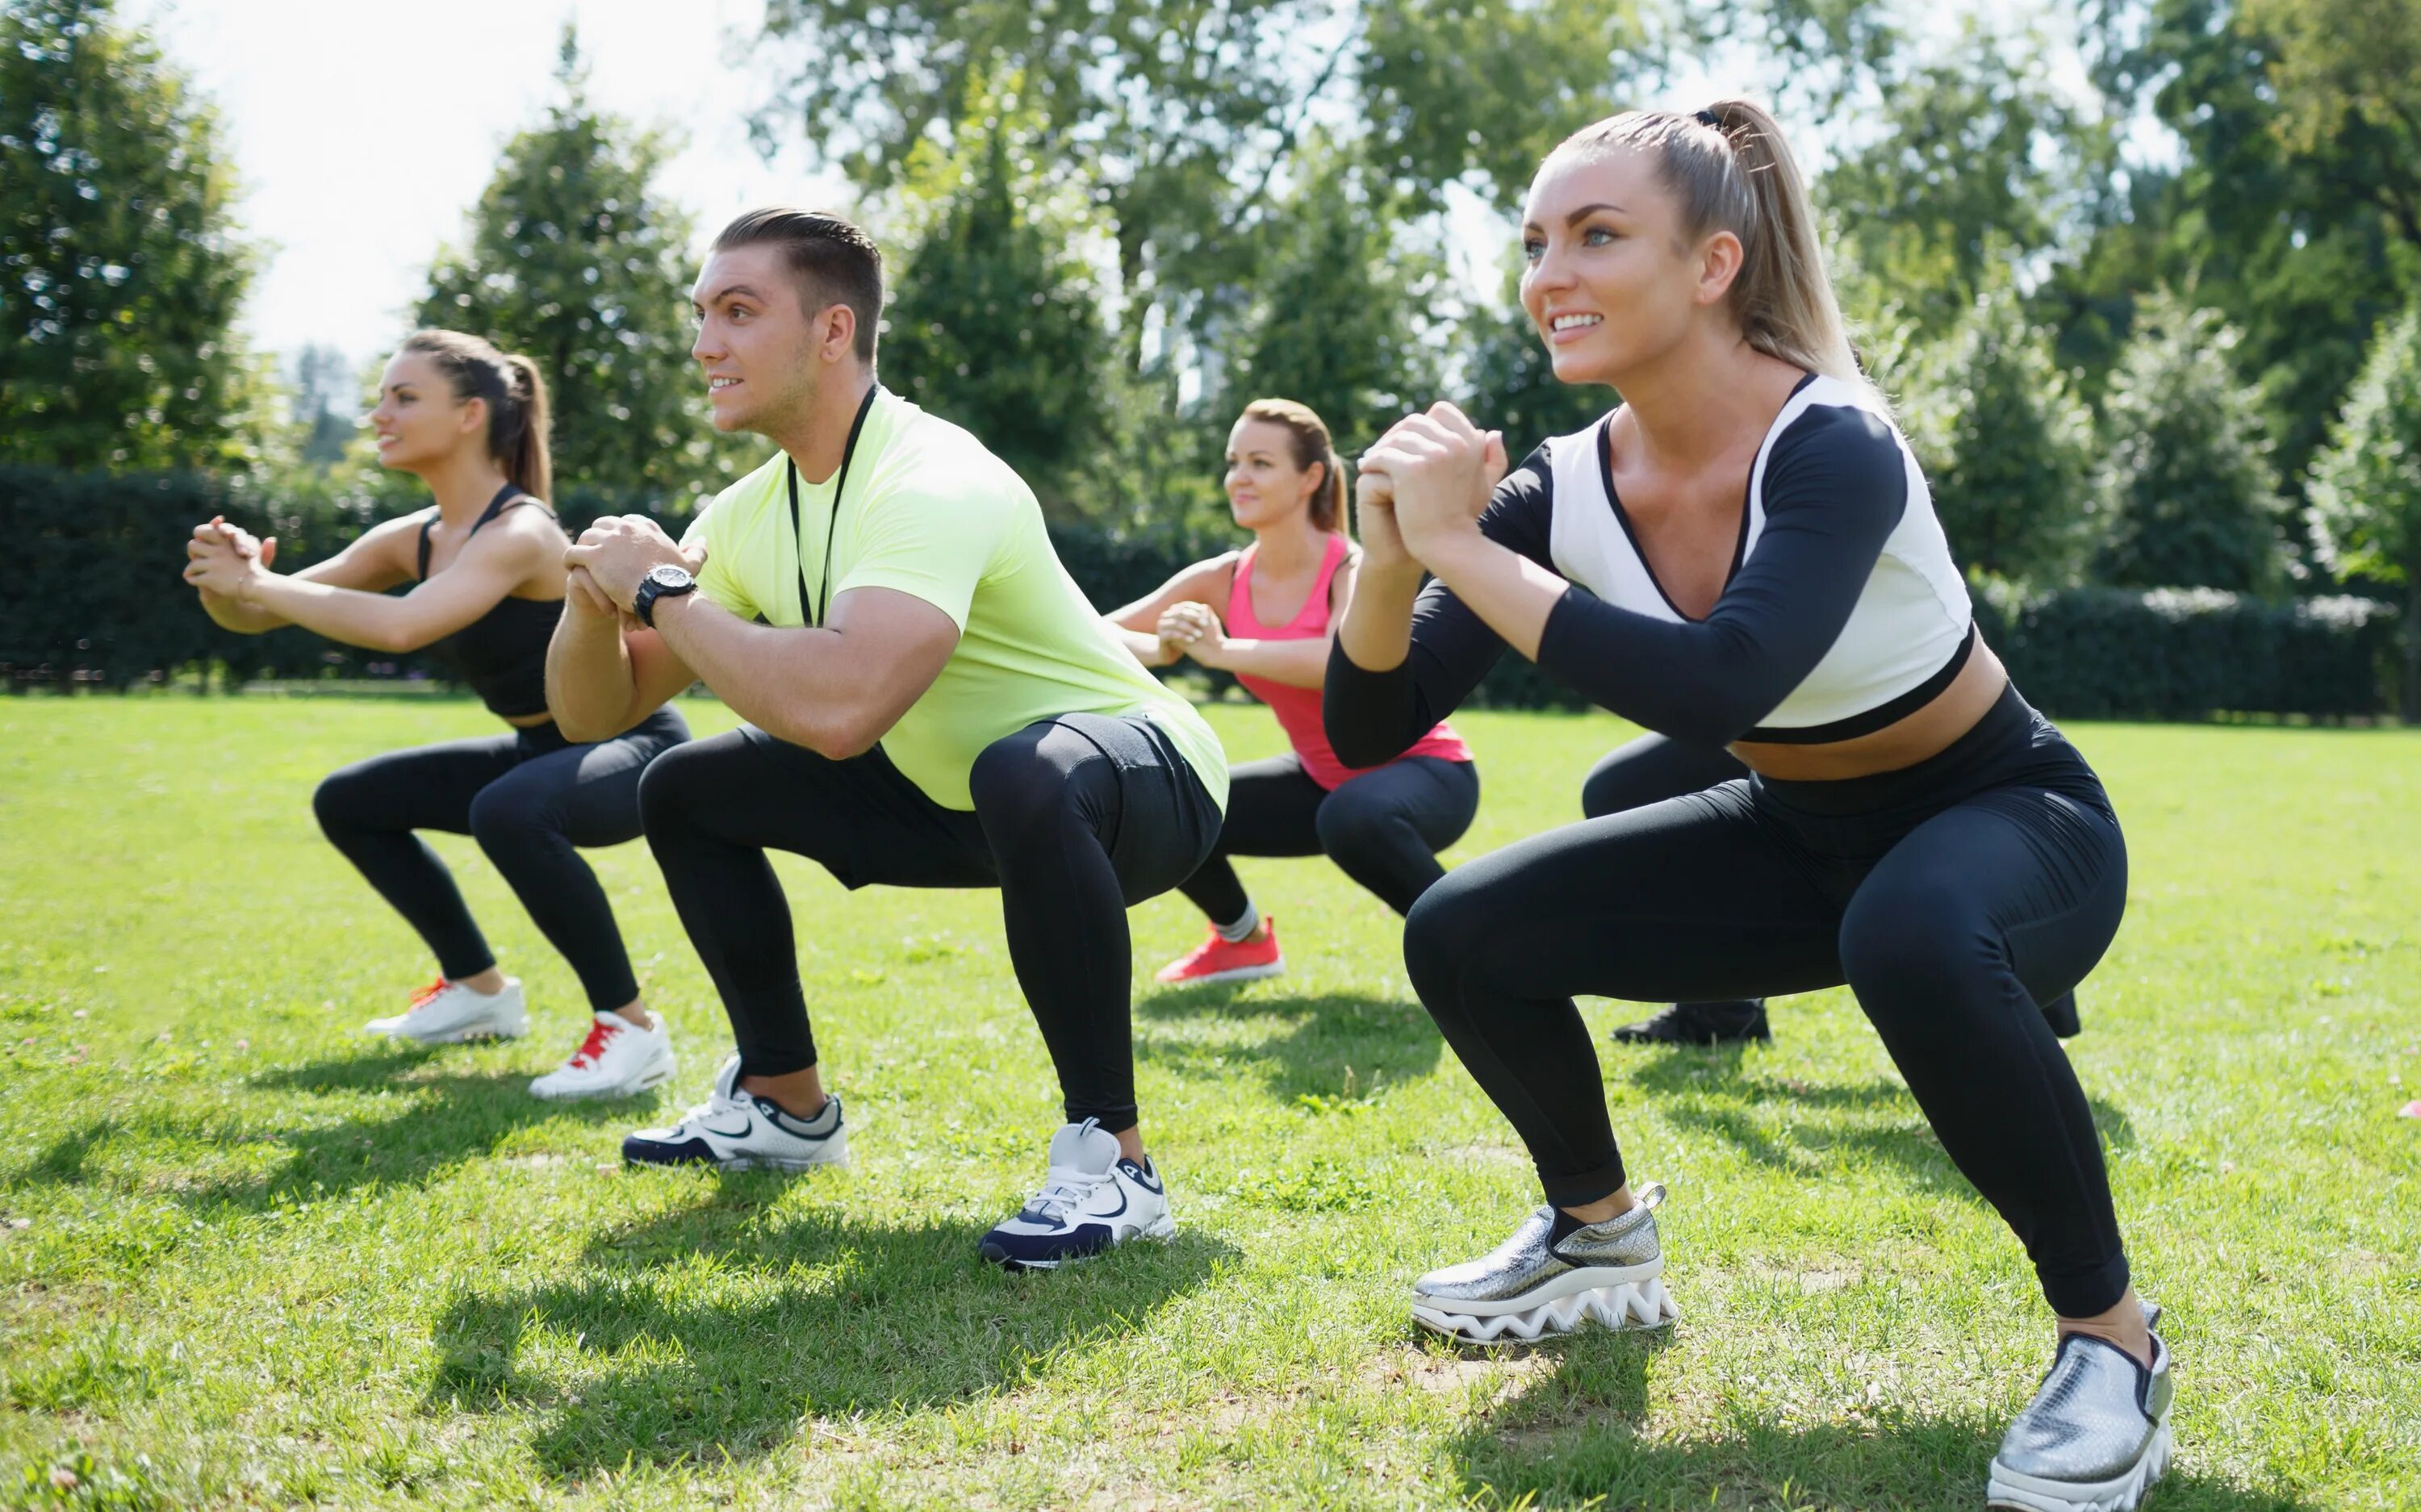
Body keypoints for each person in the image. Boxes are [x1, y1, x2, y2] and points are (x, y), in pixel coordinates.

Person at [1325, 104, 2170, 1512]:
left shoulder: (1834, 439)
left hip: (2013, 814)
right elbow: (1369, 723)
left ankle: (2113, 1340)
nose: (1551, 274)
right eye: (1536, 241)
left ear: (1715, 263)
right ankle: (1596, 1239)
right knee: (1464, 930)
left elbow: (1724, 678)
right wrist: (1385, 554)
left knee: (1909, 929)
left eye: (1599, 236)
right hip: (1797, 833)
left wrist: (1464, 546)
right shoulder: (1557, 482)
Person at [546, 208, 1230, 1271]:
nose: (704, 345)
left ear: (831, 331)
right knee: (684, 786)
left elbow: (841, 708)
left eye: (737, 311)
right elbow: (594, 716)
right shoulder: (743, 512)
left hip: (1146, 779)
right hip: (958, 790)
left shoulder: (931, 474)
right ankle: (785, 1104)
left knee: (1024, 771)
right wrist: (597, 603)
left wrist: (663, 586)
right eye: (701, 316)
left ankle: (1115, 1164)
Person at [183, 330, 689, 1101]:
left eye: (404, 396)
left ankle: (632, 1031)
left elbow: (402, 627)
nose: (380, 412)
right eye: (382, 396)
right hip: (538, 749)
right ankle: (479, 991)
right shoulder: (413, 538)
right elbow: (258, 617)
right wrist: (232, 580)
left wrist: (255, 584)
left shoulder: (520, 533)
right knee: (352, 801)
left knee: (509, 810)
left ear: (469, 415)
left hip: (632, 746)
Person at [1102, 399, 1477, 985]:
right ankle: (1242, 940)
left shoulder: (1352, 568)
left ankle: (1480, 951)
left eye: (1259, 462)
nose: (1239, 477)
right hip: (1322, 782)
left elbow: (1342, 660)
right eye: (1232, 462)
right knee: (1169, 807)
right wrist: (1165, 647)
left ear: (1311, 478)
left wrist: (1222, 651)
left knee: (1350, 817)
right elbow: (1098, 633)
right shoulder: (1221, 577)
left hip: (1427, 774)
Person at [1583, 733, 2081, 1046]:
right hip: (1765, 698)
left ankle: (2015, 967)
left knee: (1883, 833)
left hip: (1857, 699)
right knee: (1619, 789)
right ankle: (1722, 1008)